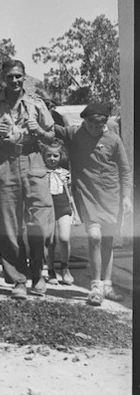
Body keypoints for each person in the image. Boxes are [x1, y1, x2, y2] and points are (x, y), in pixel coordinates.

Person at [0, 59, 56, 300]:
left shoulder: (36, 103)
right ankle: (18, 279)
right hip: (5, 164)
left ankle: (38, 273)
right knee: (9, 226)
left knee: (39, 224)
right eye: (10, 76)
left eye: (18, 76)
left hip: (33, 162)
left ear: (24, 77)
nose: (14, 80)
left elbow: (52, 135)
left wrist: (38, 132)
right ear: (3, 78)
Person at [55, 102, 132, 306]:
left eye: (99, 125)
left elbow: (125, 170)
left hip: (111, 196)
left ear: (105, 123)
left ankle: (107, 285)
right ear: (84, 121)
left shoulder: (114, 140)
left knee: (107, 240)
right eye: (90, 124)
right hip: (87, 194)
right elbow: (54, 130)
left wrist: (126, 197)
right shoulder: (75, 134)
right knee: (94, 236)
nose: (94, 129)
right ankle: (95, 286)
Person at [41, 140, 74, 286]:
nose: (52, 159)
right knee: (50, 240)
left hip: (62, 206)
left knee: (64, 238)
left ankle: (65, 268)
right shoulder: (40, 172)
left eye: (55, 156)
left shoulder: (65, 173)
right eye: (49, 155)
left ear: (61, 156)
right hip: (47, 207)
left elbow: (71, 192)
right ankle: (51, 269)